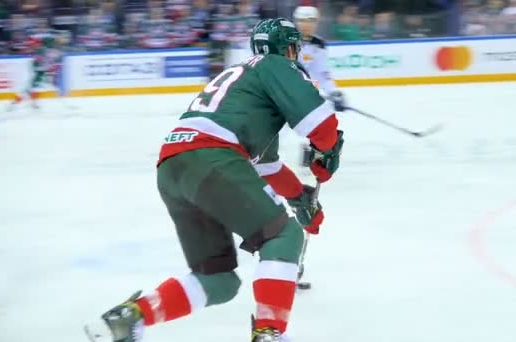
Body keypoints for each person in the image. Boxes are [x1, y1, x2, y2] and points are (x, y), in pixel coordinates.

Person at [85, 17, 344, 342]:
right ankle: (268, 333)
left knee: (218, 280)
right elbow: (321, 126)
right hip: (213, 157)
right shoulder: (277, 65)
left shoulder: (243, 79)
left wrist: (299, 196)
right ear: (288, 48)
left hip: (173, 166)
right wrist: (328, 152)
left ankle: (130, 317)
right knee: (284, 236)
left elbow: (266, 167)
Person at [293, 5, 346, 111]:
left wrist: (334, 93)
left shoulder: (318, 44)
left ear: (316, 22)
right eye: (302, 20)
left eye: (311, 20)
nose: (306, 24)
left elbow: (322, 73)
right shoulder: (286, 42)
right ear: (296, 22)